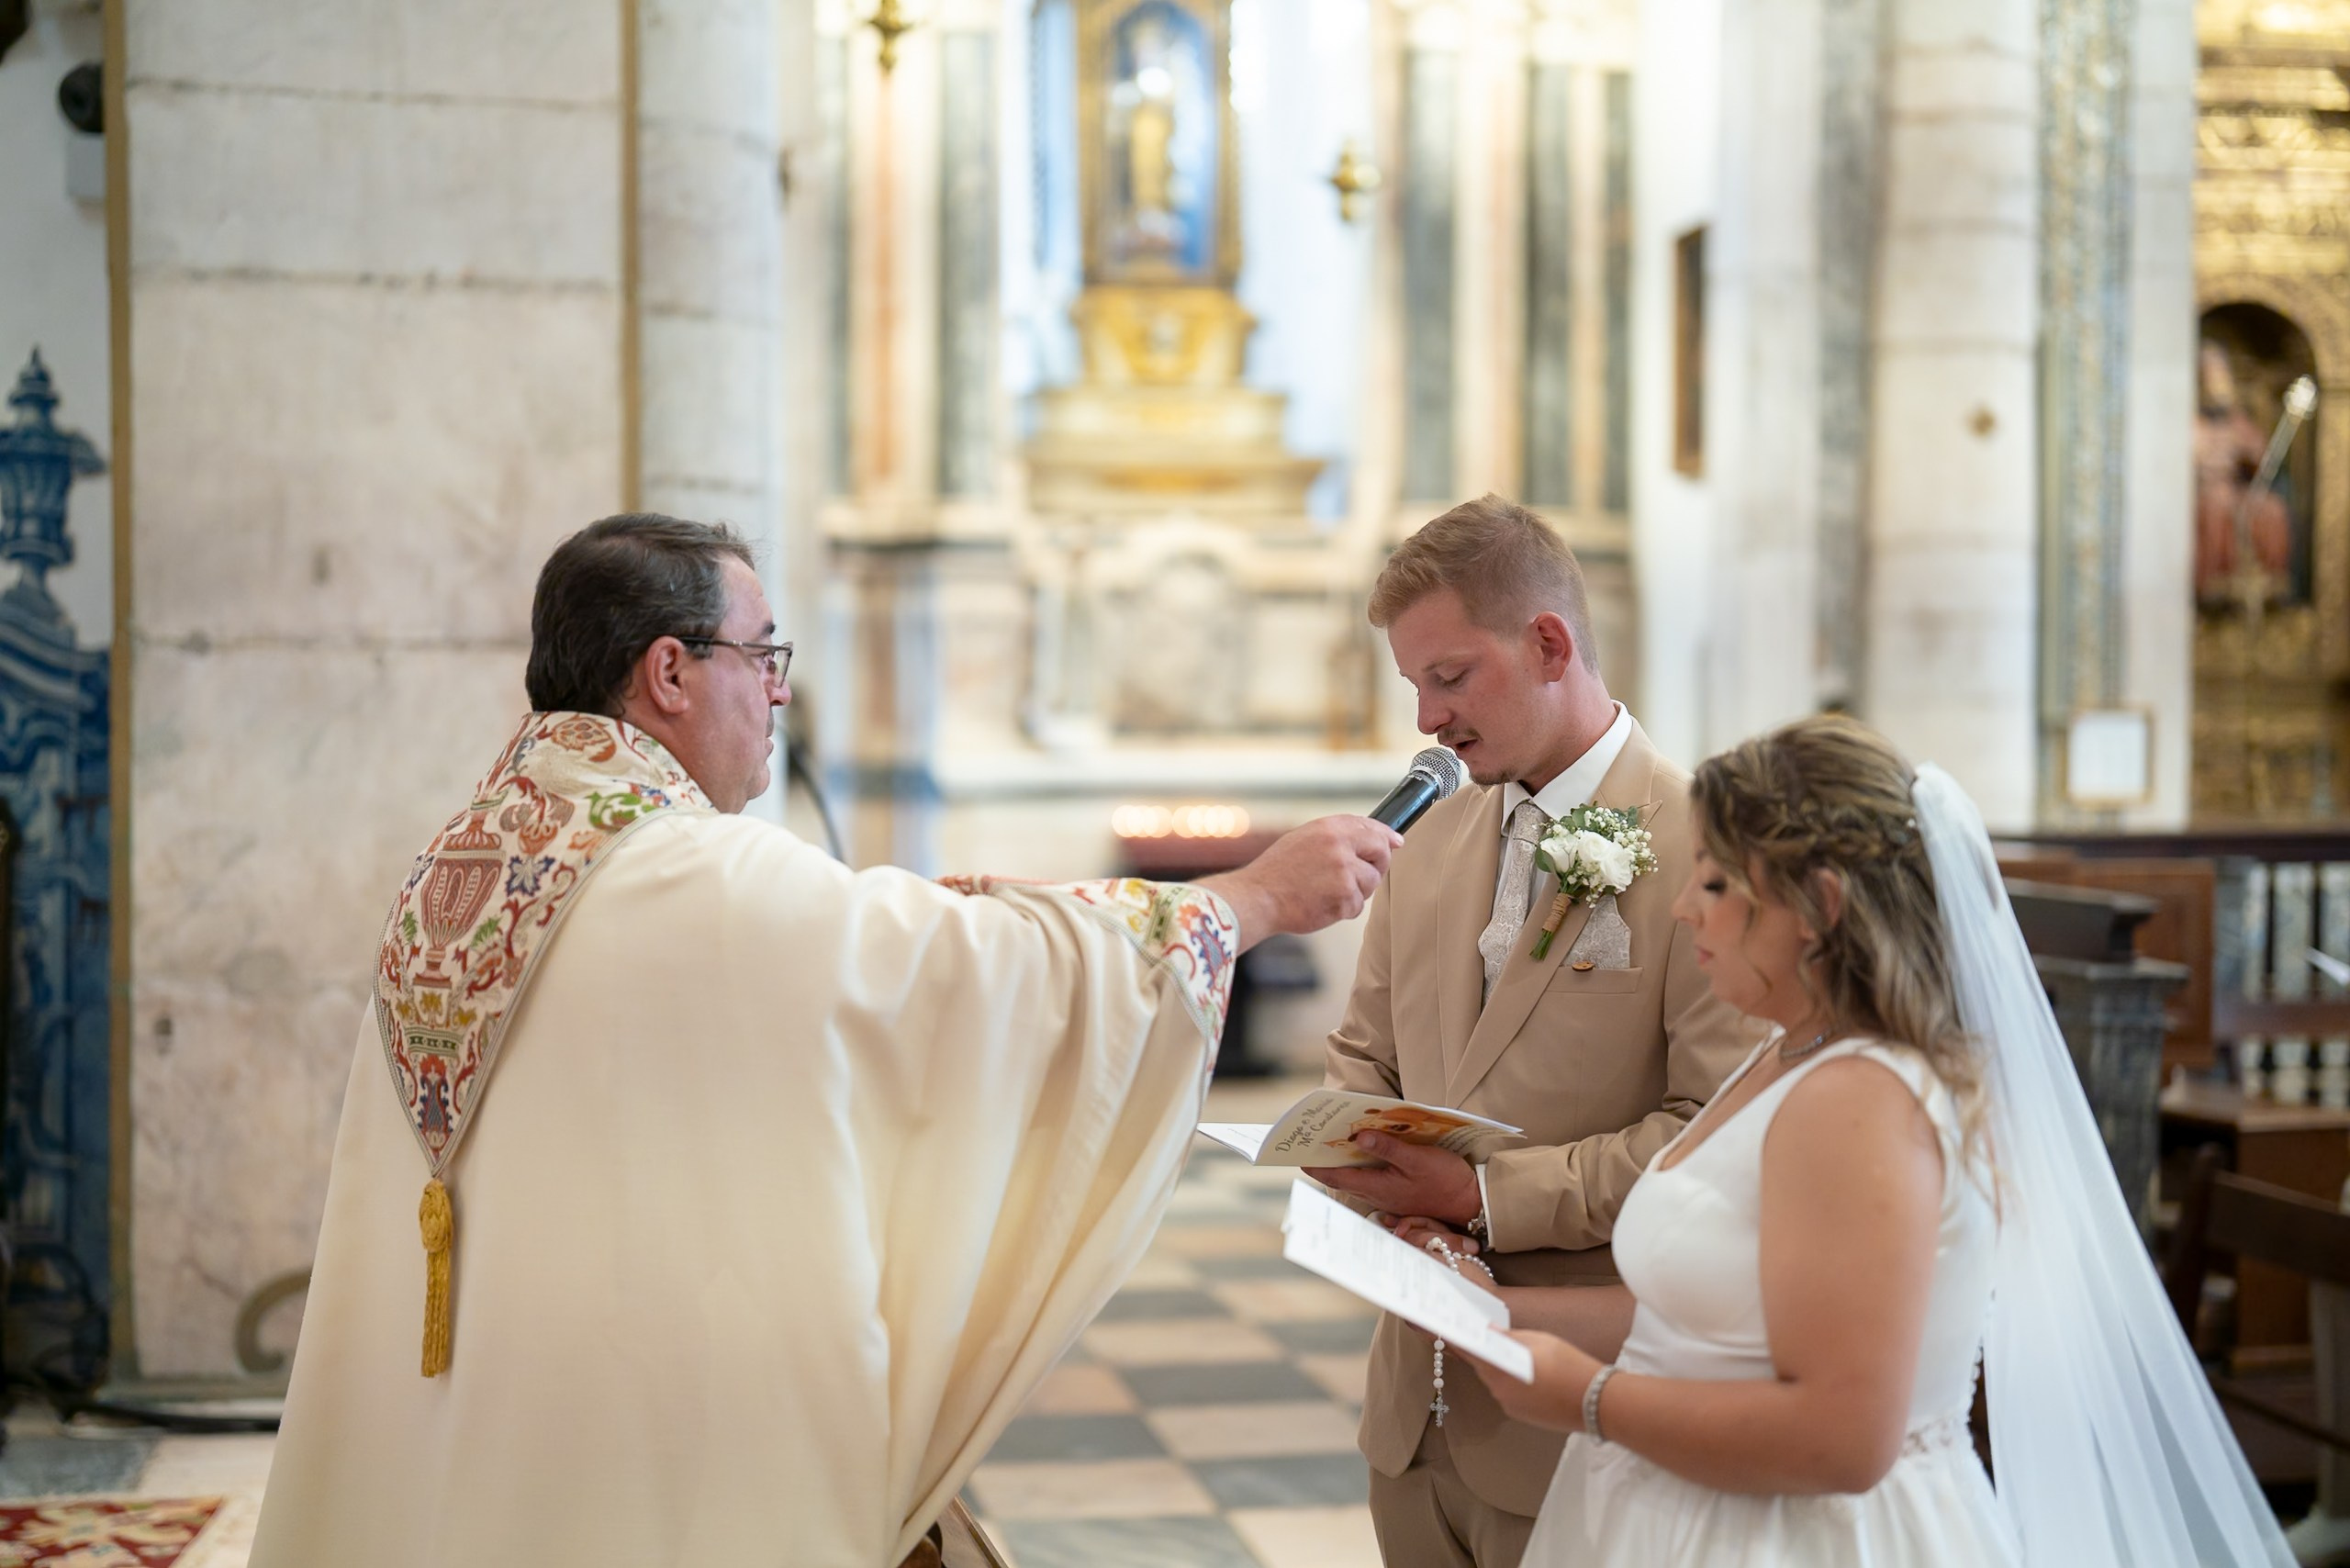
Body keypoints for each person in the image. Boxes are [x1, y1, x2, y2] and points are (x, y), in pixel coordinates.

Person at [248, 514, 1400, 1568]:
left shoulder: (472, 852)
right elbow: (961, 968)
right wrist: (1241, 903)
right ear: (669, 671)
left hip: (498, 1406)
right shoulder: (687, 870)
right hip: (642, 1438)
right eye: (763, 656)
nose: (778, 694)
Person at [1405, 714, 2292, 1567]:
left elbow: (1843, 1438)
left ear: (1817, 906)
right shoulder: (1788, 1050)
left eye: (1716, 883)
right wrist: (1491, 1314)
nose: (1682, 908)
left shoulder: (1861, 1100)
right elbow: (1716, 1315)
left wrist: (1583, 1399)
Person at [1315, 494, 1756, 1566]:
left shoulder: (1707, 843)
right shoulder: (1423, 833)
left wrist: (1477, 1197)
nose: (1425, 717)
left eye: (1449, 676)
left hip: (1579, 1426)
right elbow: (1360, 1059)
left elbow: (1710, 1137)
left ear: (1549, 643)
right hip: (1406, 1421)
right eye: (1414, 683)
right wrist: (1378, 1192)